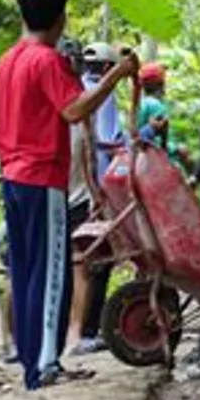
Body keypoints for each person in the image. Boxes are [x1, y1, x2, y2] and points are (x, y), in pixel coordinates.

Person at [0, 0, 137, 391]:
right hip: (43, 177)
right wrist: (117, 74)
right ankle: (43, 364)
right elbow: (74, 108)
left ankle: (32, 361)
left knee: (27, 272)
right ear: (59, 18)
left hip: (12, 177)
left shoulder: (7, 60)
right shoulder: (45, 61)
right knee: (50, 275)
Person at [65, 41, 126, 357]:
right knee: (94, 261)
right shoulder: (99, 93)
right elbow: (108, 141)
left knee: (74, 262)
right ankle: (84, 331)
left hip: (74, 187)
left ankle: (75, 331)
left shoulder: (75, 90)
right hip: (89, 191)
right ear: (107, 68)